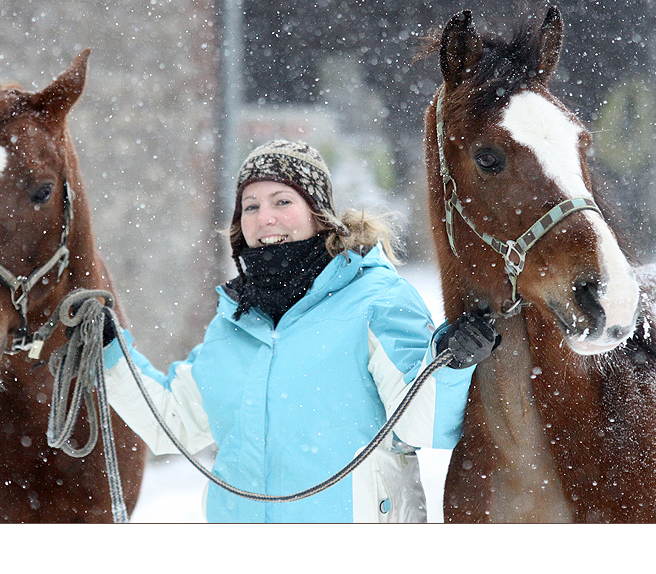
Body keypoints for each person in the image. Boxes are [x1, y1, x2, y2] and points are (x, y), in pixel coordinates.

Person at [101, 139, 499, 522]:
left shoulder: (375, 300)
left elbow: (422, 423)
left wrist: (451, 359)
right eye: (250, 206)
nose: (264, 218)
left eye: (282, 201)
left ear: (317, 213)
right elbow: (171, 422)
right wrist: (108, 349)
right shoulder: (233, 324)